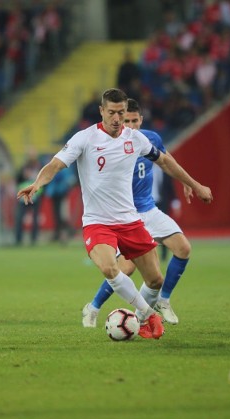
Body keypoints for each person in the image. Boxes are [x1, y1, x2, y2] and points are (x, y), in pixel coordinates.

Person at [18, 88, 213, 340]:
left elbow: (165, 161)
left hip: (130, 220)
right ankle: (148, 314)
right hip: (97, 222)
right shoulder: (85, 138)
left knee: (155, 281)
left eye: (121, 113)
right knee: (110, 268)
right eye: (111, 112)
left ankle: (141, 320)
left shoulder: (136, 139)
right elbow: (55, 164)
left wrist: (196, 185)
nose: (117, 118)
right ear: (102, 111)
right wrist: (37, 183)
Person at [81, 98, 194, 328]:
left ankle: (161, 302)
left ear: (141, 119)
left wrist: (186, 181)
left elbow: (165, 159)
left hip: (149, 209)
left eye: (134, 120)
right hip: (126, 215)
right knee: (126, 268)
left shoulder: (148, 139)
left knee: (183, 248)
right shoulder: (113, 143)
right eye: (126, 120)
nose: (130, 125)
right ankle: (93, 307)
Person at [14, 149, 43, 246]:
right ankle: (18, 240)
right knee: (19, 218)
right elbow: (17, 180)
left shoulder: (39, 167)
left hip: (36, 196)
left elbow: (44, 181)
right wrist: (23, 176)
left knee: (35, 219)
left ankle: (33, 240)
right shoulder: (23, 167)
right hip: (24, 197)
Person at [45, 164, 77, 243]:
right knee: (59, 216)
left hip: (61, 194)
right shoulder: (64, 167)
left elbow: (70, 180)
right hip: (57, 194)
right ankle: (61, 235)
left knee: (62, 216)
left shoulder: (63, 167)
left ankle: (63, 235)